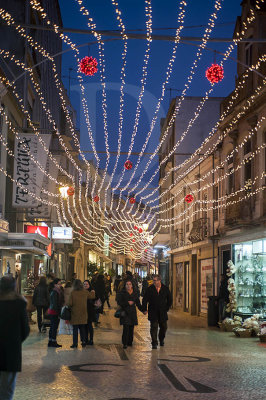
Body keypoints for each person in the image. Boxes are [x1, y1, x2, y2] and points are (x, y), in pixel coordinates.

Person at [0, 276, 30, 400]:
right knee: (7, 389)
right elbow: (25, 330)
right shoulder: (19, 304)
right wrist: (15, 341)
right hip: (11, 353)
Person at [142, 274, 172, 349]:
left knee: (164, 327)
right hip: (153, 311)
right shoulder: (150, 289)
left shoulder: (165, 289)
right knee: (154, 327)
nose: (154, 282)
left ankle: (161, 339)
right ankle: (154, 342)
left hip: (162, 312)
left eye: (155, 281)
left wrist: (167, 308)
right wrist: (145, 309)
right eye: (153, 281)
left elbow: (170, 299)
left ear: (159, 281)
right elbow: (145, 300)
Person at [68, 279, 95, 348]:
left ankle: (75, 344)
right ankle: (83, 342)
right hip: (83, 313)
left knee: (75, 329)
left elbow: (69, 303)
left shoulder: (73, 293)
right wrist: (93, 292)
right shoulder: (85, 292)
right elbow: (92, 296)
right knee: (82, 328)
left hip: (75, 314)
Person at [117, 279, 143, 349]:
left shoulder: (135, 293)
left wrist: (143, 310)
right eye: (127, 284)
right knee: (126, 328)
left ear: (132, 285)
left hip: (132, 313)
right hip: (125, 312)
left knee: (131, 328)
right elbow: (119, 302)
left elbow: (138, 303)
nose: (128, 286)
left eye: (130, 284)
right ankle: (125, 343)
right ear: (125, 286)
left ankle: (130, 342)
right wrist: (127, 303)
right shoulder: (122, 293)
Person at [47, 278, 64, 348]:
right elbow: (55, 303)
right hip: (54, 311)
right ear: (55, 285)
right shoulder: (55, 292)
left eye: (60, 284)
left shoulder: (57, 291)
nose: (60, 285)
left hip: (53, 311)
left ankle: (51, 341)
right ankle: (53, 341)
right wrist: (58, 313)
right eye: (59, 284)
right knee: (54, 327)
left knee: (52, 327)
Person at [83, 280, 96, 345]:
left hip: (90, 311)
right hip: (84, 311)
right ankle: (85, 339)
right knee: (85, 326)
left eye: (87, 284)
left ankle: (91, 339)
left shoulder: (92, 291)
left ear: (89, 285)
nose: (85, 285)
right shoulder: (82, 291)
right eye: (84, 284)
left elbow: (95, 299)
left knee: (89, 325)